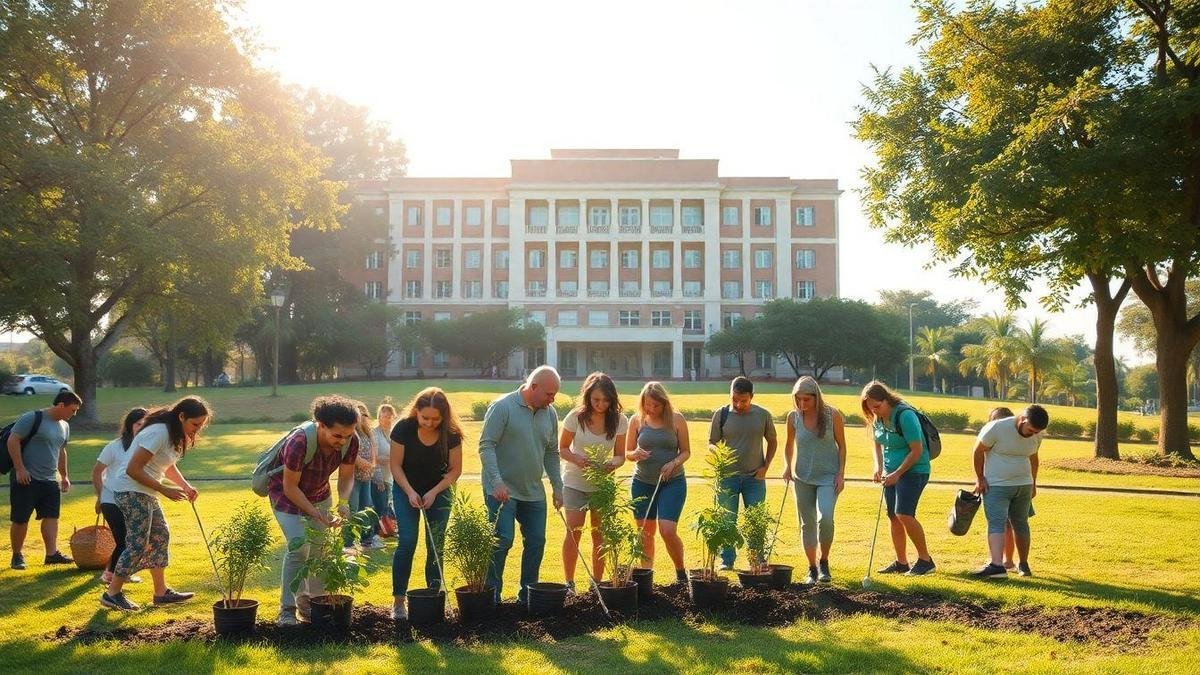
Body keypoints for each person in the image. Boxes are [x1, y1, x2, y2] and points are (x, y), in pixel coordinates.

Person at [101, 396, 210, 611]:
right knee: (137, 544)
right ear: (181, 416)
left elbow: (166, 466)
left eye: (201, 425)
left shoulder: (171, 434)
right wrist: (164, 489)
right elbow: (133, 469)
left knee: (161, 535)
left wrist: (185, 486)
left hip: (145, 492)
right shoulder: (158, 432)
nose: (197, 430)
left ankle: (160, 593)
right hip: (131, 491)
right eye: (195, 424)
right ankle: (112, 594)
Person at [267, 395, 360, 626]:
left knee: (320, 552)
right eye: (337, 435)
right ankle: (287, 611)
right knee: (299, 547)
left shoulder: (351, 440)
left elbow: (347, 477)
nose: (342, 440)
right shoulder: (299, 442)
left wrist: (343, 502)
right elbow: (290, 488)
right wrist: (315, 513)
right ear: (321, 425)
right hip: (287, 498)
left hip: (320, 495)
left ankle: (316, 605)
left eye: (347, 435)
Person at [479, 365, 563, 604]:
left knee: (537, 541)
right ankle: (492, 595)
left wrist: (558, 485)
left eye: (554, 394)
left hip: (533, 491)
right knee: (503, 539)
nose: (552, 399)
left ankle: (527, 596)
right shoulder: (502, 407)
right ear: (533, 387)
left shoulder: (551, 413)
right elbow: (486, 445)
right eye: (549, 394)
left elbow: (552, 452)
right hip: (503, 490)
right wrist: (496, 482)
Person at [389, 387, 464, 619]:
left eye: (435, 419)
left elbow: (455, 471)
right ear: (416, 412)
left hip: (439, 491)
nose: (430, 423)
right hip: (405, 489)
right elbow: (395, 466)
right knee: (408, 541)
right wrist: (411, 492)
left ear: (444, 416)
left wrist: (433, 492)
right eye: (425, 418)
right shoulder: (403, 429)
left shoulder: (451, 434)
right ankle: (399, 601)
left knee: (436, 545)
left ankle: (432, 598)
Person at [559, 372, 627, 593]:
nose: (601, 404)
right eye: (596, 400)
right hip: (575, 482)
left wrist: (612, 464)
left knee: (600, 533)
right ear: (588, 397)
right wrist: (577, 459)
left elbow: (620, 455)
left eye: (606, 400)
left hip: (602, 484)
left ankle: (596, 583)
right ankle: (569, 583)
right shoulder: (575, 417)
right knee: (574, 529)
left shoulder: (620, 420)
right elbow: (562, 449)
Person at [861, 381, 935, 576]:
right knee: (893, 516)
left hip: (914, 470)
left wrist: (897, 474)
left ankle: (925, 561)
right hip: (891, 472)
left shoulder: (905, 415)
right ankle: (901, 562)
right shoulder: (878, 417)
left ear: (887, 400)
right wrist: (878, 466)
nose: (875, 412)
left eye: (877, 406)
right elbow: (877, 442)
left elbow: (917, 451)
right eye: (871, 408)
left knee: (904, 514)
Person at [7, 391, 83, 570]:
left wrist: (64, 476)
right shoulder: (33, 418)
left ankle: (51, 554)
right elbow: (13, 440)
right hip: (26, 478)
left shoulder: (64, 425)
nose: (74, 414)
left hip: (50, 480)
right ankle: (17, 555)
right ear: (61, 405)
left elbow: (61, 451)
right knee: (20, 519)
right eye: (72, 410)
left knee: (51, 517)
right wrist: (20, 469)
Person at [972, 404, 1049, 579]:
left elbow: (1033, 458)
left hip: (1023, 485)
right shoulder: (997, 428)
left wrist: (1034, 483)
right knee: (997, 522)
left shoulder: (1038, 434)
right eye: (1031, 429)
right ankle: (997, 565)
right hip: (996, 485)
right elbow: (977, 451)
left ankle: (1023, 564)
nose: (1034, 434)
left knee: (1021, 523)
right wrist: (979, 478)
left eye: (1037, 431)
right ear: (1023, 419)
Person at [708, 376, 777, 571]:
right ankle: (727, 560)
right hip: (727, 477)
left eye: (743, 401)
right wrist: (716, 452)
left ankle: (756, 558)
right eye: (734, 399)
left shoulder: (763, 415)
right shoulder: (721, 414)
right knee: (727, 519)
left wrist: (766, 467)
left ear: (752, 397)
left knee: (755, 519)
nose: (738, 404)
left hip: (754, 478)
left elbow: (772, 441)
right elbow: (712, 442)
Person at [783, 376, 847, 584]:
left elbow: (842, 446)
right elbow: (789, 445)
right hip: (802, 477)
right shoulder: (793, 417)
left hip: (828, 476)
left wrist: (841, 474)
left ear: (816, 397)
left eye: (806, 400)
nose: (802, 404)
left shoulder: (832, 415)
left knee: (825, 517)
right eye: (798, 399)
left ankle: (824, 562)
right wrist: (787, 466)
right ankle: (812, 568)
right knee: (807, 523)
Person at [626, 381, 691, 584]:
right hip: (642, 482)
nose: (652, 409)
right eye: (648, 405)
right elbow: (626, 453)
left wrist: (674, 463)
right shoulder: (636, 420)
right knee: (645, 532)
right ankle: (647, 578)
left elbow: (686, 451)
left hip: (672, 483)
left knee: (667, 530)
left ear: (664, 403)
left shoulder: (677, 420)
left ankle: (681, 572)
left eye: (656, 405)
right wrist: (635, 454)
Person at [91, 407, 148, 585]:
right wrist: (100, 497)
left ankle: (121, 573)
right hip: (111, 500)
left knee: (130, 539)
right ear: (130, 425)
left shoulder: (145, 447)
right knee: (124, 539)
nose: (142, 428)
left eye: (145, 425)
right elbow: (97, 472)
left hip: (133, 500)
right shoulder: (115, 446)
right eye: (139, 424)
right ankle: (109, 575)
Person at [983, 406, 1034, 569]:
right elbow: (1034, 458)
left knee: (1001, 523)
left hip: (1001, 485)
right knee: (1016, 523)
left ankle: (1004, 561)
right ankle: (1012, 561)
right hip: (1023, 482)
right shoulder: (1020, 434)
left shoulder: (995, 433)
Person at [347, 402, 382, 551]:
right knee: (352, 510)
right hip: (353, 478)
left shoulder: (368, 433)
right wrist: (367, 464)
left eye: (364, 414)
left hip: (366, 478)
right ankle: (347, 543)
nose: (362, 417)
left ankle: (366, 540)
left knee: (366, 509)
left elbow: (374, 454)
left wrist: (372, 466)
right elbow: (350, 455)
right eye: (359, 414)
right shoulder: (350, 433)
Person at [373, 400, 398, 537]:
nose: (387, 419)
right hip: (380, 476)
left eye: (389, 416)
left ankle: (390, 530)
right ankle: (380, 533)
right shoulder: (374, 433)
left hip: (393, 476)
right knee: (381, 506)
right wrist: (394, 459)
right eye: (384, 416)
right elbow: (374, 458)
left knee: (392, 505)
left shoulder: (395, 432)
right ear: (379, 417)